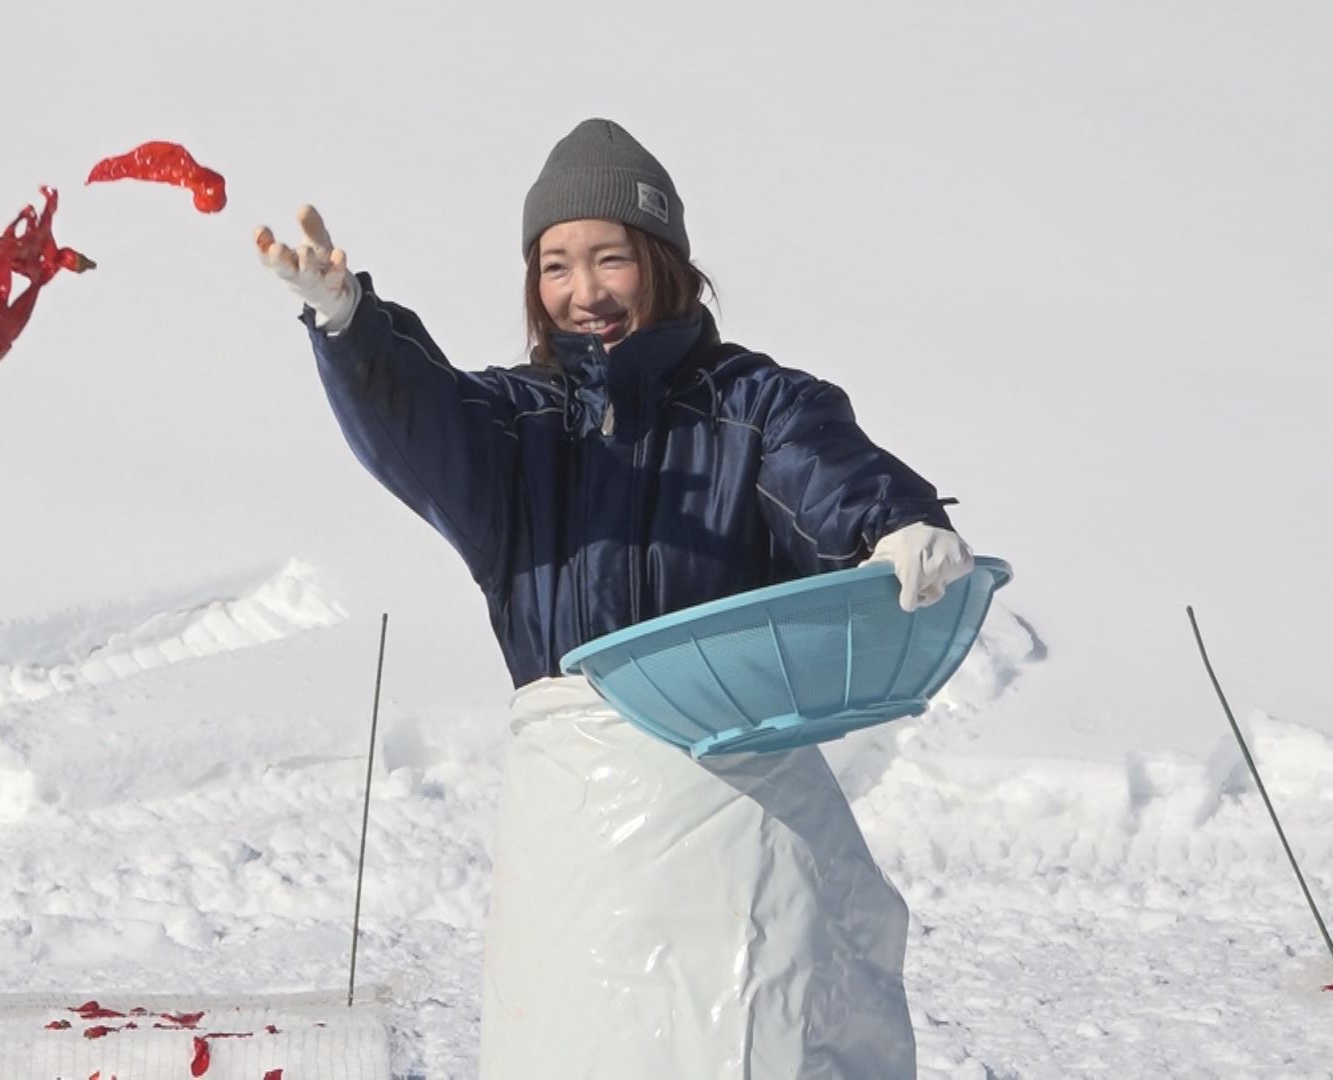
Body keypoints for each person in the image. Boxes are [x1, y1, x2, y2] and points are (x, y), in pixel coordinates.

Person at [256, 119, 971, 1079]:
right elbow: (423, 420)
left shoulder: (752, 404)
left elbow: (824, 472)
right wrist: (349, 326)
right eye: (555, 266)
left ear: (663, 262)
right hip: (574, 846)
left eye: (610, 259)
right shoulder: (518, 426)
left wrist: (892, 524)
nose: (583, 292)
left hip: (734, 835)